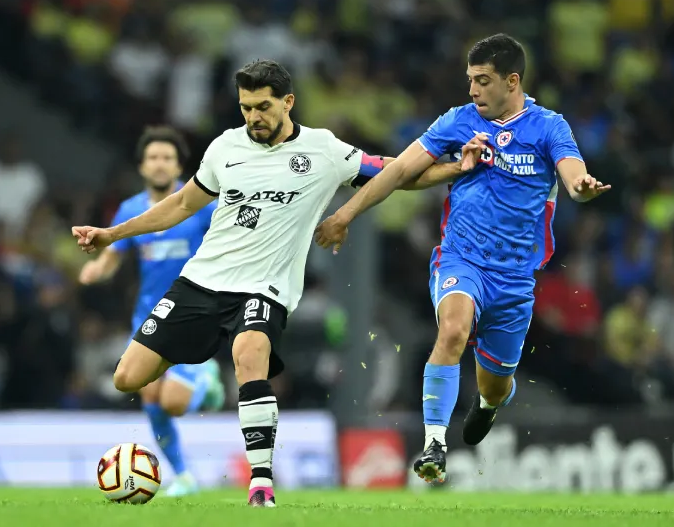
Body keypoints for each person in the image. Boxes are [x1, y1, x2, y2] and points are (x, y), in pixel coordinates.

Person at [72, 60, 484, 506]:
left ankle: (261, 483)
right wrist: (113, 233)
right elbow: (179, 205)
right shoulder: (225, 148)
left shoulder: (323, 151)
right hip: (201, 281)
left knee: (249, 354)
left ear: (288, 102)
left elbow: (394, 171)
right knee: (126, 378)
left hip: (264, 287)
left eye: (263, 107)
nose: (254, 117)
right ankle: (207, 384)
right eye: (246, 107)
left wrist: (454, 169)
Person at [314, 34, 611, 484]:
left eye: (483, 80)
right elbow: (398, 170)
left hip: (514, 278)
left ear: (512, 81)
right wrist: (344, 214)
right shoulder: (458, 121)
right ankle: (434, 444)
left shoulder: (550, 127)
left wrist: (582, 189)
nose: (472, 90)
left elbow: (573, 175)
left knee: (495, 384)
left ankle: (490, 403)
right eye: (470, 79)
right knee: (452, 330)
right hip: (461, 259)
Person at [78, 126, 224, 497]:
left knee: (173, 404)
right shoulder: (130, 210)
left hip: (193, 313)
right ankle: (185, 475)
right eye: (153, 158)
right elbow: (114, 255)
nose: (160, 165)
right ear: (142, 166)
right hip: (148, 317)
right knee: (150, 399)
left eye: (167, 158)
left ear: (179, 166)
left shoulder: (200, 205)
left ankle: (207, 383)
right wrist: (97, 270)